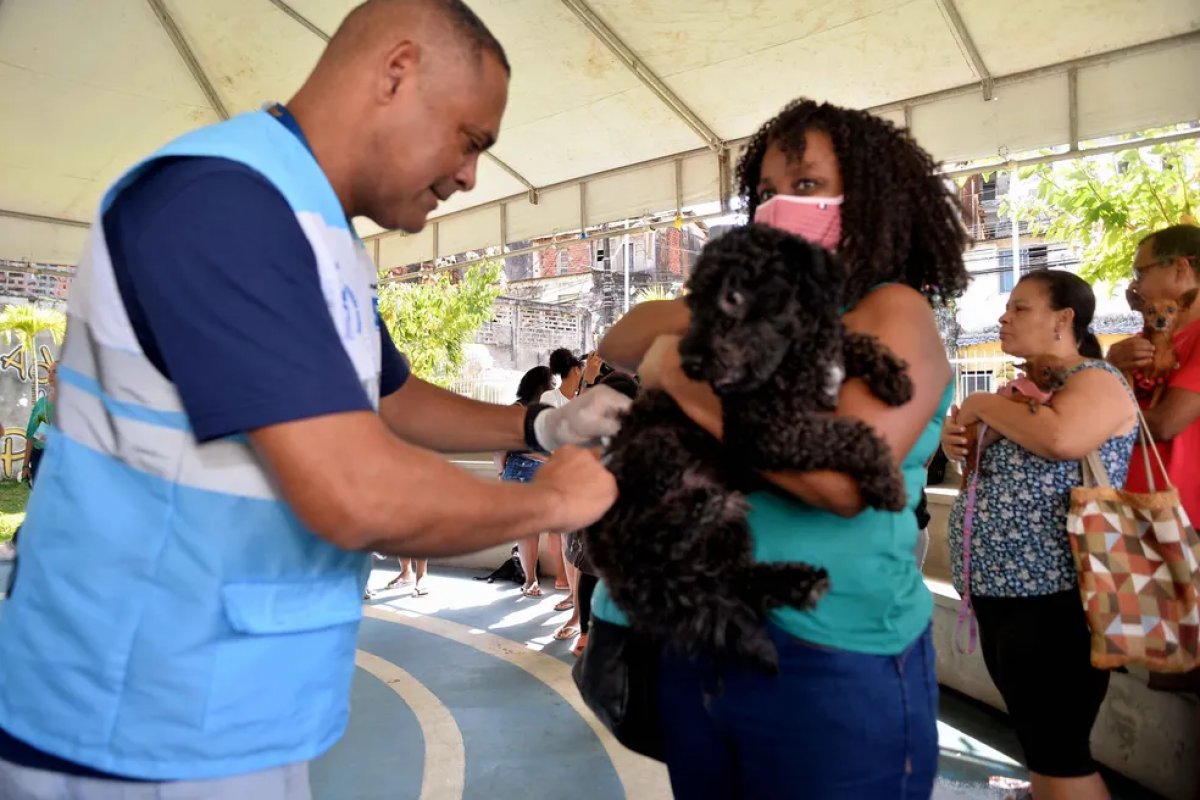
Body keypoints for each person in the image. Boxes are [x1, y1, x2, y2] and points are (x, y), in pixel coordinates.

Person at [0, 3, 630, 798]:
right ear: (396, 71)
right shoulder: (221, 202)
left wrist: (543, 423)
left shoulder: (313, 226)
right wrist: (555, 500)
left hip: (230, 704)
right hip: (134, 721)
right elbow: (356, 491)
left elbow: (389, 396)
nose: (471, 174)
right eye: (470, 140)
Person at [595, 98, 970, 799]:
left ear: (872, 199)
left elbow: (839, 478)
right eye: (766, 193)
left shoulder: (894, 311)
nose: (777, 208)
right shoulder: (758, 305)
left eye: (804, 187)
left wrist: (676, 371)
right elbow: (622, 337)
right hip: (705, 634)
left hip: (828, 652)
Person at [941, 271, 1138, 800]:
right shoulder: (1021, 392)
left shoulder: (1096, 378)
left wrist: (980, 407)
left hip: (1058, 596)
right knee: (1043, 742)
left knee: (1059, 749)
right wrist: (961, 437)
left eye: (1020, 308)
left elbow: (1061, 439)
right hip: (1003, 592)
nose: (1004, 317)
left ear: (1064, 318)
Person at [1106, 224, 1200, 524]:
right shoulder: (1145, 341)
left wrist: (1087, 423)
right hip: (1138, 512)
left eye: (1140, 274)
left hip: (1184, 522)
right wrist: (1112, 368)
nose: (1135, 287)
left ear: (1180, 267)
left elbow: (1164, 423)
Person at [542, 349, 603, 609]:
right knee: (570, 539)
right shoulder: (550, 398)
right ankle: (572, 596)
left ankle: (578, 600)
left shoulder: (584, 397)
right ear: (578, 370)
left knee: (581, 540)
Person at [502, 365, 555, 597]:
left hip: (522, 471)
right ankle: (531, 580)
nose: (554, 386)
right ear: (540, 387)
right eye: (551, 383)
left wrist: (502, 471)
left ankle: (530, 580)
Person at [20, 364, 56, 488]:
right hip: (39, 457)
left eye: (55, 372)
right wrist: (25, 465)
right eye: (50, 371)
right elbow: (31, 435)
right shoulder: (41, 404)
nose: (50, 375)